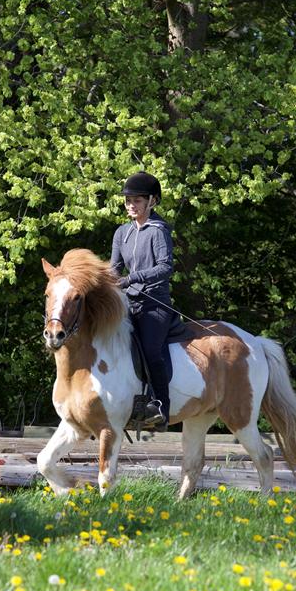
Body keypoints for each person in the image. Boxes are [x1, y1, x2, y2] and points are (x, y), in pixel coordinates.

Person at [111, 171, 175, 428]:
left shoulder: (158, 231)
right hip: (129, 303)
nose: (130, 205)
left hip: (155, 304)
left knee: (150, 350)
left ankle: (160, 405)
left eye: (136, 200)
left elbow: (165, 267)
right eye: (128, 201)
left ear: (152, 202)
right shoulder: (121, 233)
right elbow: (114, 269)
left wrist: (131, 279)